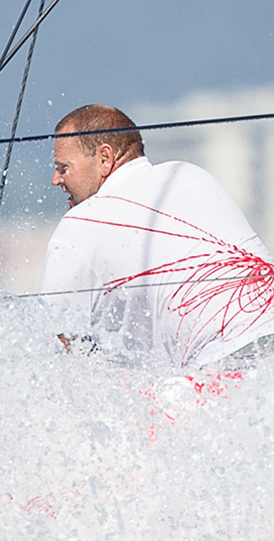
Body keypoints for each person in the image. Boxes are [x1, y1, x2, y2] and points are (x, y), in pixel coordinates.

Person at [41, 104, 274, 371]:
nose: (55, 179)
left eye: (63, 167)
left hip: (228, 362)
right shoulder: (189, 174)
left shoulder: (80, 223)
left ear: (105, 158)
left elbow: (59, 352)